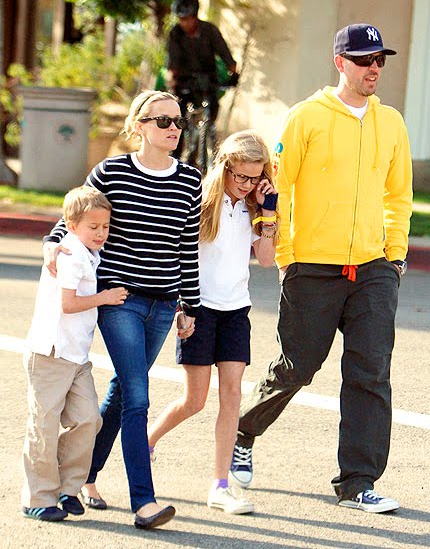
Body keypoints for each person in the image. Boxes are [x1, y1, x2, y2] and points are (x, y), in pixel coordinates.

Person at [230, 23, 413, 513]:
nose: (374, 68)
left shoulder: (391, 122)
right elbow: (280, 187)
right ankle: (243, 431)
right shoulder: (305, 117)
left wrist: (394, 254)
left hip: (373, 267)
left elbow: (398, 195)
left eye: (379, 60)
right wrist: (287, 254)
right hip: (312, 266)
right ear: (340, 63)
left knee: (371, 372)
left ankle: (357, 482)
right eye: (364, 60)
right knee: (298, 367)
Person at [43, 90, 202, 529]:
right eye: (163, 121)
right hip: (121, 301)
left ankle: (81, 477)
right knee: (137, 395)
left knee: (121, 392)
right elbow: (75, 215)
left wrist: (189, 305)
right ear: (140, 126)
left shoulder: (190, 180)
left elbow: (187, 249)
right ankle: (144, 503)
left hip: (164, 305)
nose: (173, 128)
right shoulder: (111, 172)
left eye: (178, 121)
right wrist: (53, 244)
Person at [147, 130, 279, 514]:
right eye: (241, 176)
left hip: (236, 310)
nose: (247, 184)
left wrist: (268, 212)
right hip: (199, 308)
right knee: (194, 400)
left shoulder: (254, 206)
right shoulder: (201, 201)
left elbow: (266, 259)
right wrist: (181, 307)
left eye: (255, 177)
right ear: (225, 168)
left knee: (232, 396)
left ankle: (220, 486)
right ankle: (145, 443)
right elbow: (178, 254)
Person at [22, 186, 128, 522]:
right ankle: (38, 498)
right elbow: (68, 304)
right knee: (44, 425)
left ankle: (68, 489)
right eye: (93, 227)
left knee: (88, 419)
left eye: (105, 226)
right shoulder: (69, 253)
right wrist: (106, 297)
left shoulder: (90, 252)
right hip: (50, 353)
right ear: (71, 225)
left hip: (77, 357)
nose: (101, 233)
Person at [167, 0, 238, 161]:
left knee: (212, 109)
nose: (185, 23)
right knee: (178, 116)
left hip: (208, 79)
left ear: (195, 16)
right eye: (181, 19)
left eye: (188, 18)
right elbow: (173, 61)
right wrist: (173, 81)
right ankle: (175, 157)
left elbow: (225, 53)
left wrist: (233, 73)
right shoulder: (175, 33)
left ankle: (207, 137)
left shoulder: (209, 30)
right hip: (184, 81)